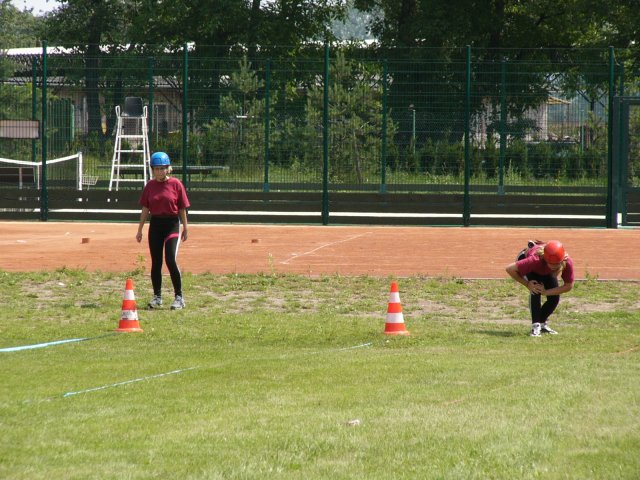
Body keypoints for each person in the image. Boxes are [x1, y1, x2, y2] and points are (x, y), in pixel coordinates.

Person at [136, 152, 190, 310]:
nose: (160, 171)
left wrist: (185, 228)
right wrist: (139, 229)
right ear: (152, 169)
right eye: (156, 169)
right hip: (156, 225)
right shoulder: (150, 186)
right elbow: (145, 208)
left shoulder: (176, 184)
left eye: (163, 168)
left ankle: (179, 297)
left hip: (172, 225)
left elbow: (182, 208)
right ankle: (157, 297)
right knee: (156, 262)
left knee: (170, 259)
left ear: (168, 169)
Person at [505, 240, 574, 337]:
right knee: (535, 289)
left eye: (557, 264)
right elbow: (509, 269)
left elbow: (568, 286)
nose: (554, 266)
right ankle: (535, 326)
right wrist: (527, 284)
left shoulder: (567, 262)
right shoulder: (535, 260)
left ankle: (542, 324)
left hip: (544, 269)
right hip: (529, 263)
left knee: (554, 297)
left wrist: (546, 292)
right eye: (551, 264)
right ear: (545, 259)